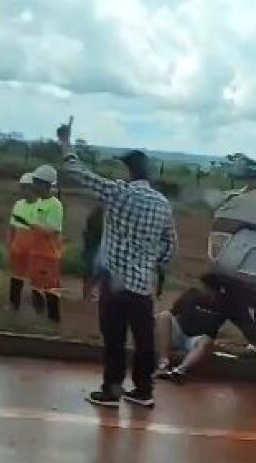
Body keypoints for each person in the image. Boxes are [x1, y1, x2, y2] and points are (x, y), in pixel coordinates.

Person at [57, 117, 177, 408]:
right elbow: (170, 247)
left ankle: (112, 389)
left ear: (128, 171)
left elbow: (77, 171)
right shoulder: (162, 203)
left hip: (115, 282)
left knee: (114, 337)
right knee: (143, 339)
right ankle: (144, 390)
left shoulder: (118, 193)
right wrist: (150, 263)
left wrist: (65, 143)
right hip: (142, 286)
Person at [155, 274, 256, 382]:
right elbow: (173, 313)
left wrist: (233, 341)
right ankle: (163, 363)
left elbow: (244, 327)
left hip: (196, 341)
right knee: (164, 315)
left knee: (206, 340)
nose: (201, 290)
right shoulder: (191, 294)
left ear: (214, 291)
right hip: (179, 333)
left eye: (205, 288)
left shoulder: (226, 304)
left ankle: (180, 370)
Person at [29, 164, 64, 323]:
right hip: (37, 252)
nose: (34, 185)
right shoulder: (38, 202)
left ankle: (53, 320)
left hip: (49, 254)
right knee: (36, 286)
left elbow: (53, 230)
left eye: (37, 182)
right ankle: (39, 319)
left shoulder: (55, 205)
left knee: (50, 288)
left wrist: (32, 225)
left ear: (46, 184)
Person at [7, 172, 37, 310]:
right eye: (22, 187)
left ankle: (38, 306)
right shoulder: (18, 204)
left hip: (35, 247)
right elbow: (12, 226)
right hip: (18, 245)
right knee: (16, 276)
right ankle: (14, 304)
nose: (24, 190)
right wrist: (10, 243)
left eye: (26, 187)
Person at [81, 205, 104, 301]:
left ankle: (87, 293)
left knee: (90, 272)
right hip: (95, 247)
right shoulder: (101, 218)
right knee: (94, 272)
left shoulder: (93, 215)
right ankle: (88, 294)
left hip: (90, 246)